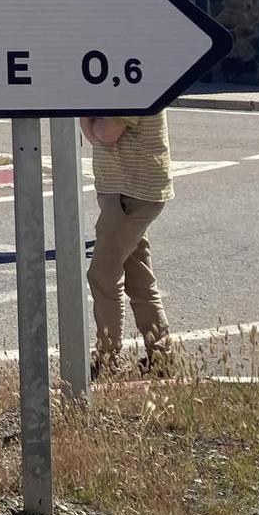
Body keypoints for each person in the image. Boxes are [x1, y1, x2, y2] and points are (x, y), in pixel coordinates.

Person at [80, 109, 175, 377]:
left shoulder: (130, 82)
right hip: (131, 191)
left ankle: (107, 360)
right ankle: (161, 355)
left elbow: (105, 134)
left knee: (102, 274)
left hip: (131, 192)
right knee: (138, 276)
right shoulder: (131, 79)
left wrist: (83, 117)